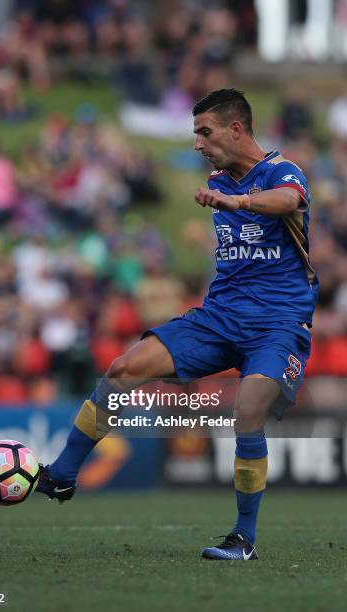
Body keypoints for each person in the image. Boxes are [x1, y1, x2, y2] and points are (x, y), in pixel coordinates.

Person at [35, 89, 318, 561]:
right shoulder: (217, 178)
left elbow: (288, 201)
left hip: (278, 322)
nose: (197, 144)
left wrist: (239, 203)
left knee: (247, 411)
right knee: (123, 370)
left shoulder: (281, 171)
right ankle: (62, 474)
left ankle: (243, 538)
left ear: (236, 129)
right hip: (219, 316)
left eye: (204, 132)